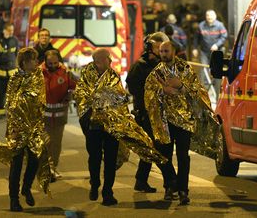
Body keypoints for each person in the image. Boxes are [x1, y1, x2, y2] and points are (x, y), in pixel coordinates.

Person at [74, 48, 166, 206]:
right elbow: (82, 97)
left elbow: (119, 95)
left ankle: (108, 192)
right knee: (94, 158)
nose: (110, 61)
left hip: (112, 125)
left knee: (110, 159)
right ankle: (95, 184)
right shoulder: (86, 76)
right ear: (99, 61)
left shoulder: (113, 75)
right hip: (94, 125)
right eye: (107, 59)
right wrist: (98, 104)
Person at [145, 41, 219, 205]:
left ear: (174, 52)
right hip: (164, 121)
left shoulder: (185, 69)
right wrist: (162, 90)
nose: (163, 54)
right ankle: (169, 188)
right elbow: (148, 93)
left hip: (184, 121)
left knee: (183, 157)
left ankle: (183, 191)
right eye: (162, 51)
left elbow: (198, 90)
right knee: (165, 156)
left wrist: (182, 86)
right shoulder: (156, 73)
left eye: (166, 51)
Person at [0, 47, 53, 212]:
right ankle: (14, 199)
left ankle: (26, 188)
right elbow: (11, 102)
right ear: (25, 62)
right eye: (33, 60)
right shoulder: (15, 78)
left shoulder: (38, 76)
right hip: (18, 127)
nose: (37, 63)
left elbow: (39, 98)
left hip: (35, 125)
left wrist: (28, 99)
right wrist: (15, 127)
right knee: (16, 165)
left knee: (35, 160)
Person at [126, 32, 178, 198]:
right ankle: (172, 184)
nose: (162, 51)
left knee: (150, 148)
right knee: (160, 150)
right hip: (148, 115)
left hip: (159, 114)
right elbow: (134, 89)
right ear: (151, 49)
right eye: (159, 48)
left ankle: (141, 180)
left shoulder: (156, 65)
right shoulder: (143, 66)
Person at [41, 49, 76, 181]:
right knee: (45, 144)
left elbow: (73, 86)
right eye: (50, 63)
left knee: (56, 144)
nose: (53, 65)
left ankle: (52, 168)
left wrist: (69, 95)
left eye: (55, 62)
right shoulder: (38, 73)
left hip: (60, 117)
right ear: (45, 62)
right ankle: (44, 169)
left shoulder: (65, 72)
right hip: (43, 117)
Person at [192, 10, 228, 95]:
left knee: (216, 71)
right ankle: (203, 92)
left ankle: (217, 92)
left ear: (215, 17)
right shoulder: (201, 26)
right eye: (208, 16)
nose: (209, 17)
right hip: (204, 51)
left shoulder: (220, 25)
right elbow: (196, 38)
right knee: (203, 70)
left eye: (211, 16)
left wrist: (217, 44)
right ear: (206, 17)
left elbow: (224, 36)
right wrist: (195, 48)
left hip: (217, 52)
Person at [0, 22, 18, 119]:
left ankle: (12, 113)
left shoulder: (14, 40)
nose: (11, 32)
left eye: (12, 30)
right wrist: (4, 40)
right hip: (0, 72)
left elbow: (16, 54)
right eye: (9, 30)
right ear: (4, 30)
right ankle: (0, 113)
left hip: (12, 71)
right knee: (0, 94)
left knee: (13, 94)